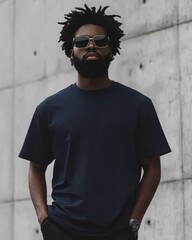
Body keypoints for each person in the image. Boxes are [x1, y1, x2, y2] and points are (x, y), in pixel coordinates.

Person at [19, 4, 171, 240]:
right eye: (82, 42)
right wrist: (44, 220)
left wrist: (134, 222)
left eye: (99, 40)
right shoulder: (49, 109)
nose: (91, 45)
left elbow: (153, 167)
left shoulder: (138, 105)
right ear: (71, 51)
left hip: (118, 232)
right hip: (62, 230)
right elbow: (35, 168)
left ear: (111, 49)